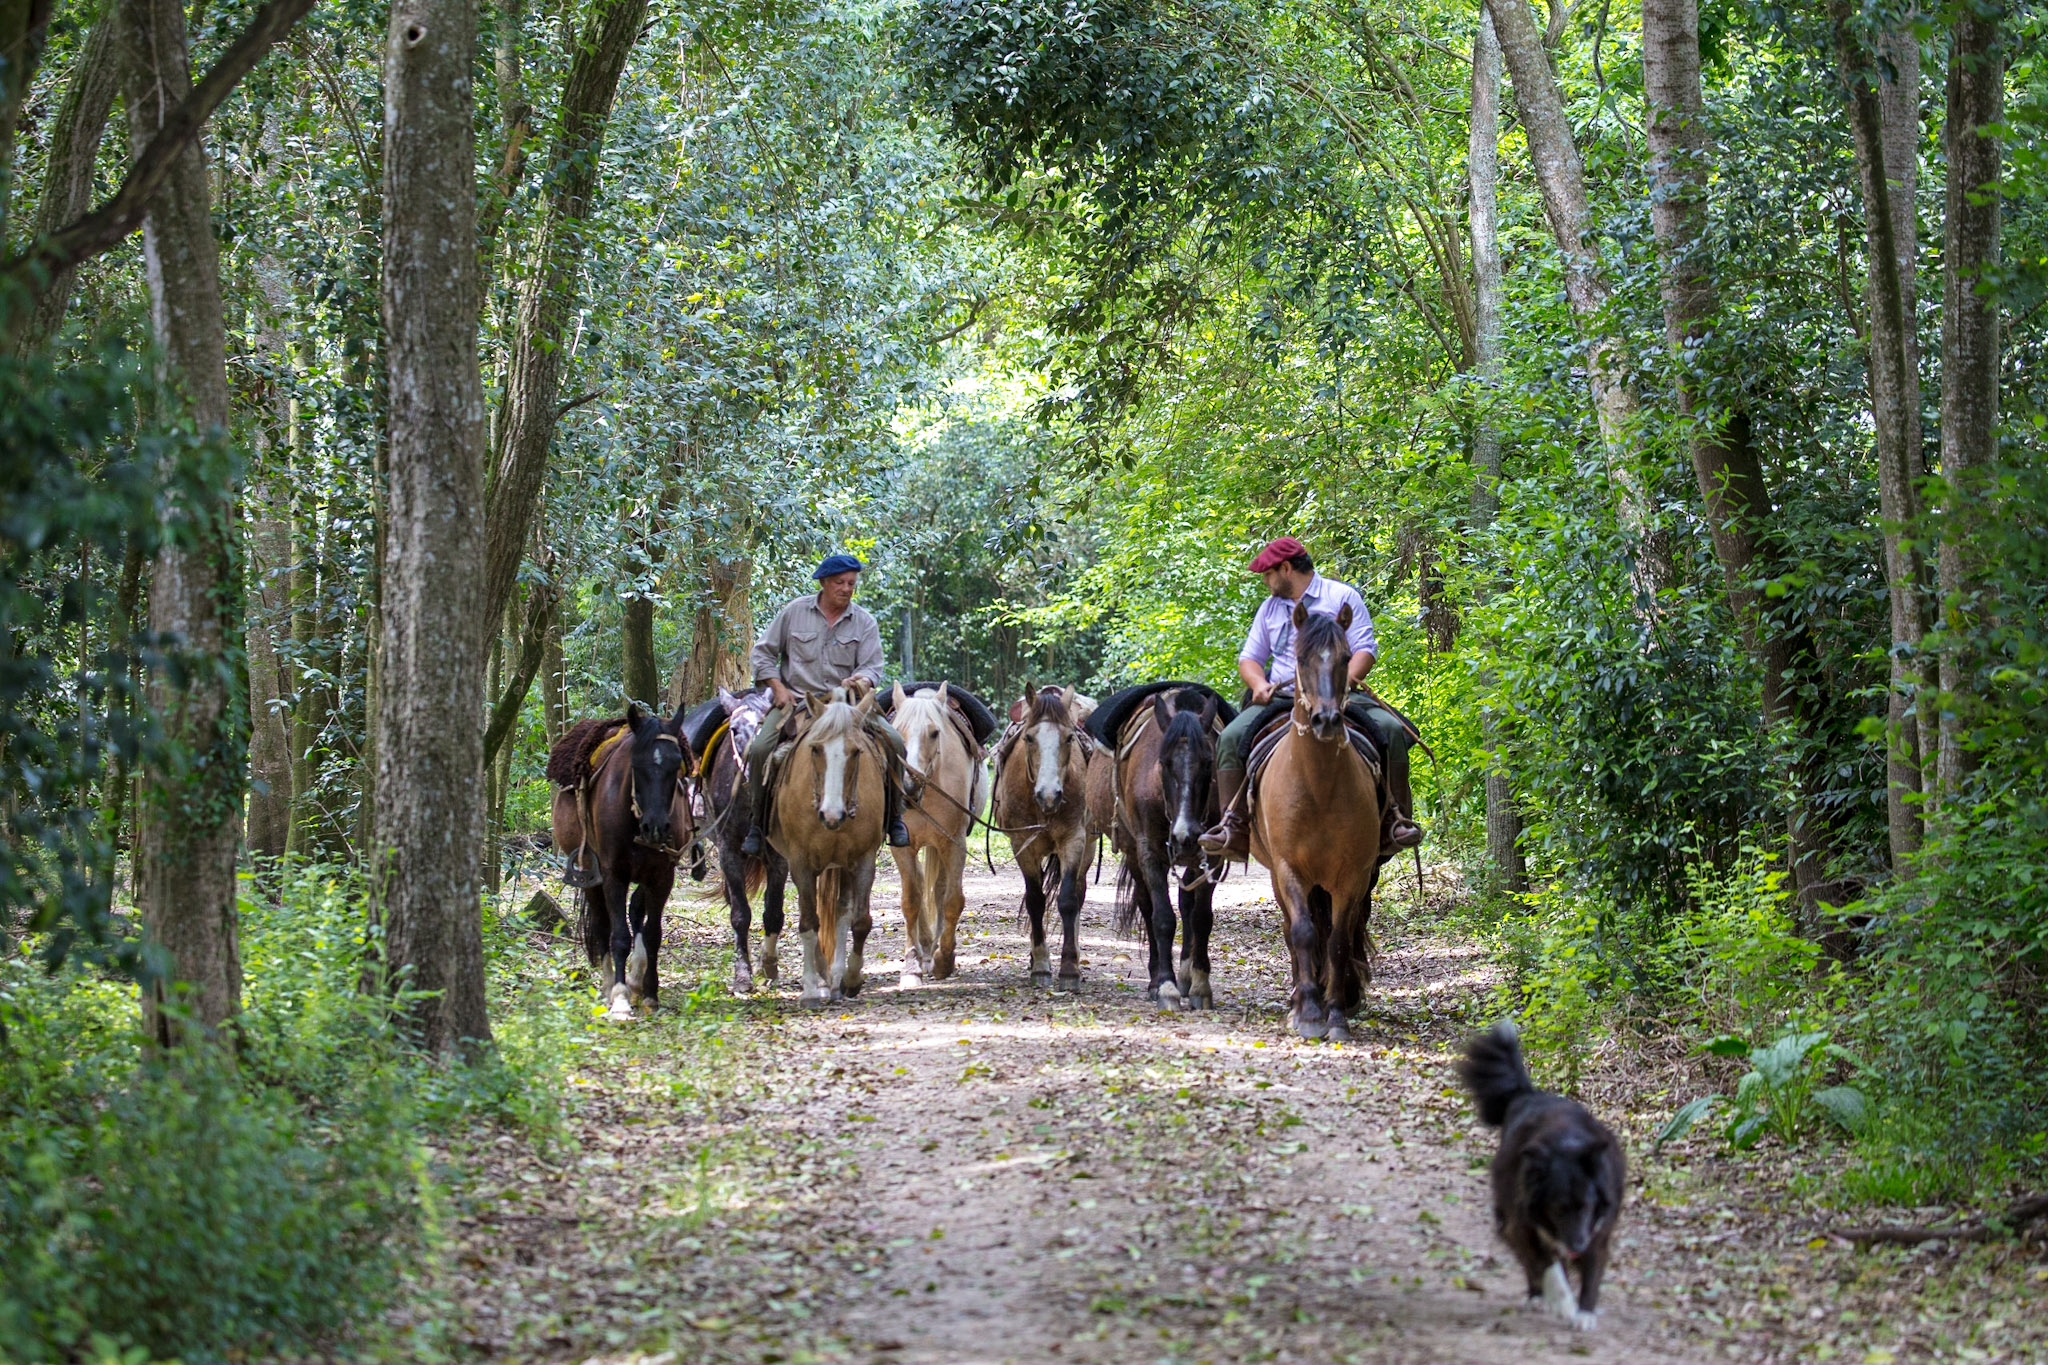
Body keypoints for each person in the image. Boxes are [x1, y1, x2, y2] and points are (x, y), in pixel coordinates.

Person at [1198, 537, 1423, 860]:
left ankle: (1395, 818)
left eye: (1268, 574)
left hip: (1339, 695)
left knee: (1390, 729)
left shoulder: (1341, 597)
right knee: (1231, 737)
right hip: (1283, 697)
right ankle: (1233, 826)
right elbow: (1250, 658)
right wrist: (1258, 683)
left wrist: (1339, 685)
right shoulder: (1269, 609)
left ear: (1286, 569)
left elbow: (1364, 649)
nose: (1266, 581)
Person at [737, 553, 911, 854]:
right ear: (824, 582)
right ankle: (758, 823)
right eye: (840, 582)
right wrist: (778, 688)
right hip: (798, 704)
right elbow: (763, 654)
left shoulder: (864, 621)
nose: (846, 589)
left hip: (849, 706)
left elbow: (872, 667)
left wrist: (862, 679)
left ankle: (894, 818)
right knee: (760, 749)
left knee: (895, 742)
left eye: (851, 583)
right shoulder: (794, 612)